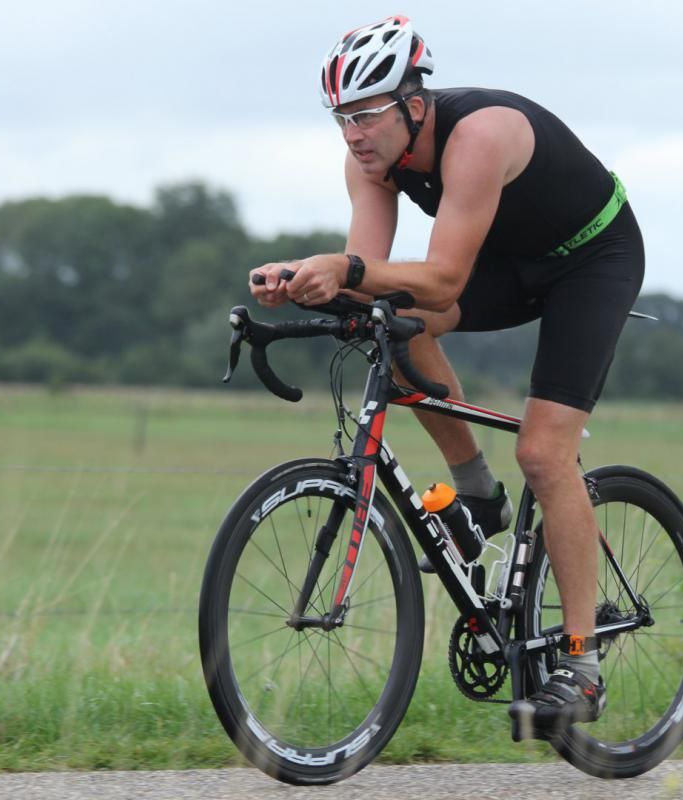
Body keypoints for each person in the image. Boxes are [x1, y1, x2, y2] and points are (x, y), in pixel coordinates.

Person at [248, 15, 644, 737]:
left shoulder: (481, 134)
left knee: (544, 454)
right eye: (342, 118)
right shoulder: (367, 163)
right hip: (511, 262)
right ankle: (476, 494)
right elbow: (373, 285)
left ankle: (581, 669)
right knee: (390, 324)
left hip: (592, 259)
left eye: (368, 115)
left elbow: (445, 276)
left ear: (414, 104)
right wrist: (305, 281)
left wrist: (348, 271)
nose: (354, 134)